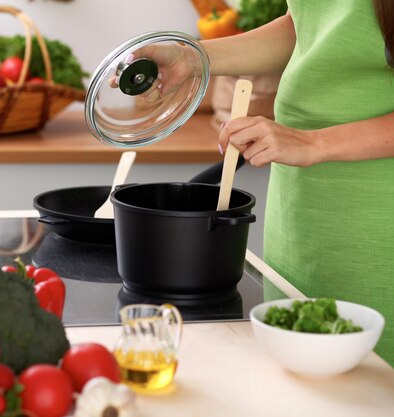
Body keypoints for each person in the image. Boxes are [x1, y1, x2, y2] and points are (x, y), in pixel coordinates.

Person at [136, 1, 394, 365]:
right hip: (300, 207)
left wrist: (313, 142)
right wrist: (193, 59)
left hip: (376, 222)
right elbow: (308, 26)